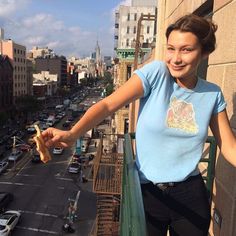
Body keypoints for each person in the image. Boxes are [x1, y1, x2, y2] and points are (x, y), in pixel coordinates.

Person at [42, 14, 236, 236]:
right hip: (146, 193)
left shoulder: (212, 93)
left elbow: (229, 146)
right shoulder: (156, 74)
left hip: (190, 193)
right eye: (171, 48)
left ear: (205, 52)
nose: (175, 58)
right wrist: (73, 133)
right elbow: (107, 105)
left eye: (186, 50)